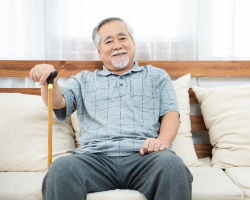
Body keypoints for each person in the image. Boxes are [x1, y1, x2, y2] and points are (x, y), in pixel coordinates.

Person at [30, 17, 193, 200]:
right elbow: (57, 101)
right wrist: (48, 79)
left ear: (133, 43)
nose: (117, 45)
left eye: (122, 38)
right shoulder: (84, 80)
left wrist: (161, 141)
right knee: (60, 169)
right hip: (94, 159)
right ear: (99, 52)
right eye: (109, 41)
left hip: (145, 157)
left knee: (172, 165)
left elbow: (171, 113)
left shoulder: (156, 76)